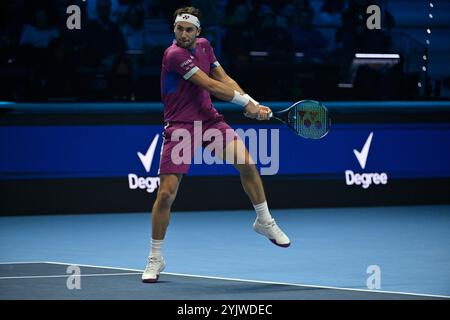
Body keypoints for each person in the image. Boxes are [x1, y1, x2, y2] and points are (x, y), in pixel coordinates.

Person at [142, 6, 290, 283]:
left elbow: (224, 79)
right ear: (174, 29)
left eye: (189, 30)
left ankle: (264, 221)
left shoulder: (205, 47)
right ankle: (155, 256)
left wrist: (253, 103)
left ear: (198, 31)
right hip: (181, 126)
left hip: (209, 121)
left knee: (246, 163)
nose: (183, 34)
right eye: (178, 29)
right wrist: (246, 104)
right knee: (166, 194)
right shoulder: (173, 54)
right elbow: (210, 85)